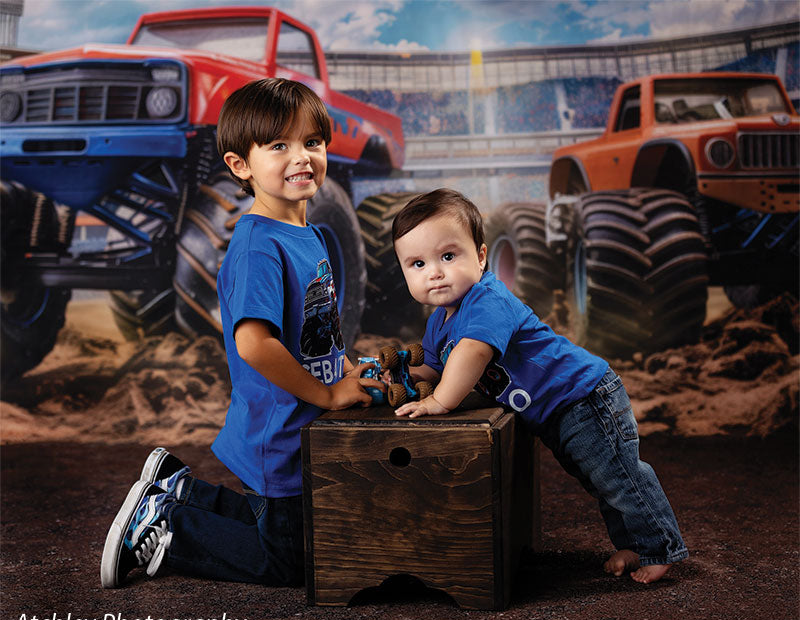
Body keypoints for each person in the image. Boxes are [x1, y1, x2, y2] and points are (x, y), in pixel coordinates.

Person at [100, 78, 381, 588]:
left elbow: (314, 325)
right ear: (240, 166)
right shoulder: (257, 247)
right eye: (279, 146)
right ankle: (168, 527)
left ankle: (176, 490)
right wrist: (324, 393)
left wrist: (343, 369)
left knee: (286, 527)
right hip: (278, 430)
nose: (301, 157)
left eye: (311, 143)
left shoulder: (310, 235)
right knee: (290, 559)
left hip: (302, 421)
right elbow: (254, 343)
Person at [391, 188, 688, 584]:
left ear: (481, 256)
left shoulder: (487, 300)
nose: (435, 272)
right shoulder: (439, 322)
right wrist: (396, 377)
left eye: (448, 256)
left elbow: (471, 355)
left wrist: (440, 403)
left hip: (582, 396)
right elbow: (432, 366)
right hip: (554, 411)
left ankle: (661, 547)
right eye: (417, 264)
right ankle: (634, 544)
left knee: (619, 476)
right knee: (599, 482)